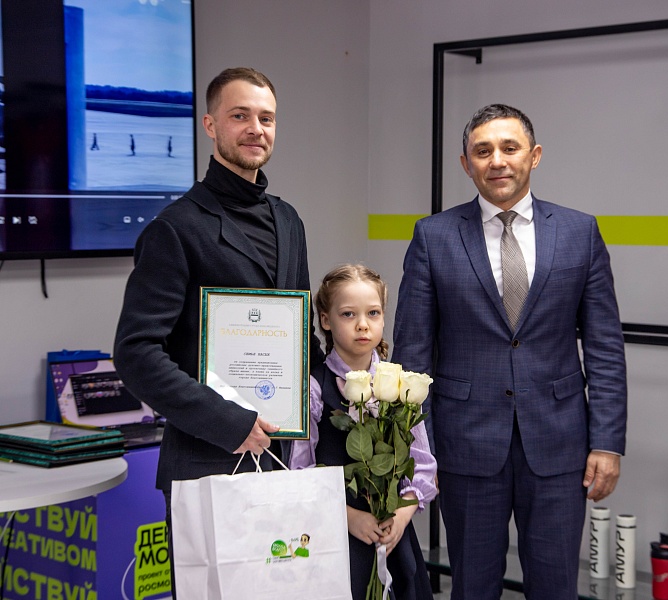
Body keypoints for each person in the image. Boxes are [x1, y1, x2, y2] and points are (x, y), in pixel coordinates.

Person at [392, 104, 627, 600]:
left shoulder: (580, 232)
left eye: (509, 148)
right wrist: (418, 449)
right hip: (465, 443)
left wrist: (607, 442)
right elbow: (413, 355)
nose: (496, 160)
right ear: (466, 164)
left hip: (560, 443)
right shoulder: (433, 236)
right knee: (472, 587)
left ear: (534, 156)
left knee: (556, 587)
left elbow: (604, 346)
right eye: (483, 151)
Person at [114, 67, 323, 596]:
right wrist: (229, 422)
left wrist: (357, 391)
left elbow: (302, 341)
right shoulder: (175, 228)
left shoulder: (289, 221)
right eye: (240, 116)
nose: (256, 128)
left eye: (266, 118)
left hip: (285, 460)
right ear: (210, 125)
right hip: (207, 460)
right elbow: (137, 352)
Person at [290, 264, 437, 600]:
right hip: (336, 537)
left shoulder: (401, 385)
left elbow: (423, 464)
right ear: (325, 320)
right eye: (348, 314)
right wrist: (349, 517)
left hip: (393, 536)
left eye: (373, 313)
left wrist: (401, 515)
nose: (362, 324)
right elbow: (300, 471)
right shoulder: (313, 388)